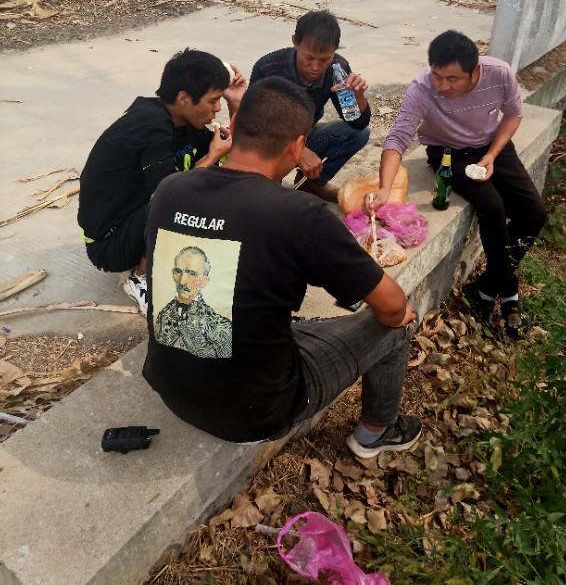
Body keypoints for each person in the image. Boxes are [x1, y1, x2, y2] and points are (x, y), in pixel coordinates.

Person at [142, 77, 421, 456]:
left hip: (170, 392)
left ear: (234, 128)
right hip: (256, 413)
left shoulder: (170, 189)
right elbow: (390, 307)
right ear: (297, 147)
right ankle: (377, 432)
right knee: (400, 322)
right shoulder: (298, 214)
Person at [366, 30, 547, 339]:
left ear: (475, 71)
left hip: (491, 145)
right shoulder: (421, 89)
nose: (442, 86)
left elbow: (514, 115)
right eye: (437, 76)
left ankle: (489, 286)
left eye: (452, 79)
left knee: (534, 213)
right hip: (448, 153)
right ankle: (508, 291)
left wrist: (491, 155)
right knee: (491, 206)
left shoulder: (499, 74)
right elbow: (397, 139)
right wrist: (385, 188)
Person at [78, 49, 246, 313]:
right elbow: (170, 193)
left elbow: (236, 155)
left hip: (135, 219)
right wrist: (213, 155)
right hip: (110, 243)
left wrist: (236, 103)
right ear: (183, 98)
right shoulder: (149, 125)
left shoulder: (185, 121)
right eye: (214, 100)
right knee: (184, 197)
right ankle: (140, 277)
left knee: (218, 184)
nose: (218, 108)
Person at [249, 10, 370, 202]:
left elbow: (357, 123)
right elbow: (253, 125)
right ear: (295, 42)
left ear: (335, 49)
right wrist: (296, 151)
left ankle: (311, 183)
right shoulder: (268, 68)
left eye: (324, 59)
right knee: (270, 200)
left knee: (358, 135)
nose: (315, 67)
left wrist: (358, 96)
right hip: (269, 141)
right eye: (309, 58)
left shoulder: (337, 68)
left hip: (306, 135)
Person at [155, 246, 233, 359]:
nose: (182, 281)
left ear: (204, 281)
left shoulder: (222, 328)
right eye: (178, 271)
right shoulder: (163, 315)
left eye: (191, 273)